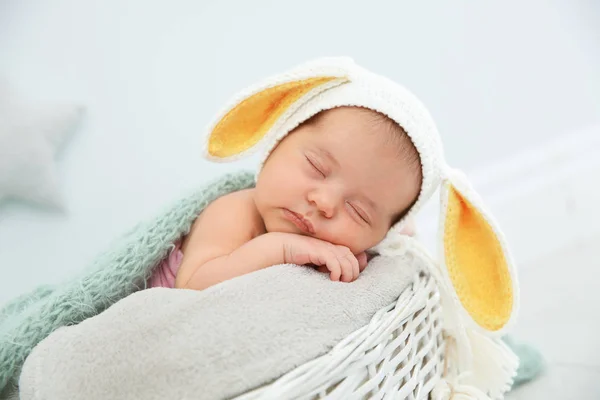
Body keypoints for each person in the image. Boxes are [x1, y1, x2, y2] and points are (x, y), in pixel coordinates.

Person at [148, 106, 421, 290]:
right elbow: (194, 286)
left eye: (358, 211)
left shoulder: (350, 246)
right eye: (317, 167)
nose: (324, 202)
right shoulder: (236, 211)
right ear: (277, 142)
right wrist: (283, 249)